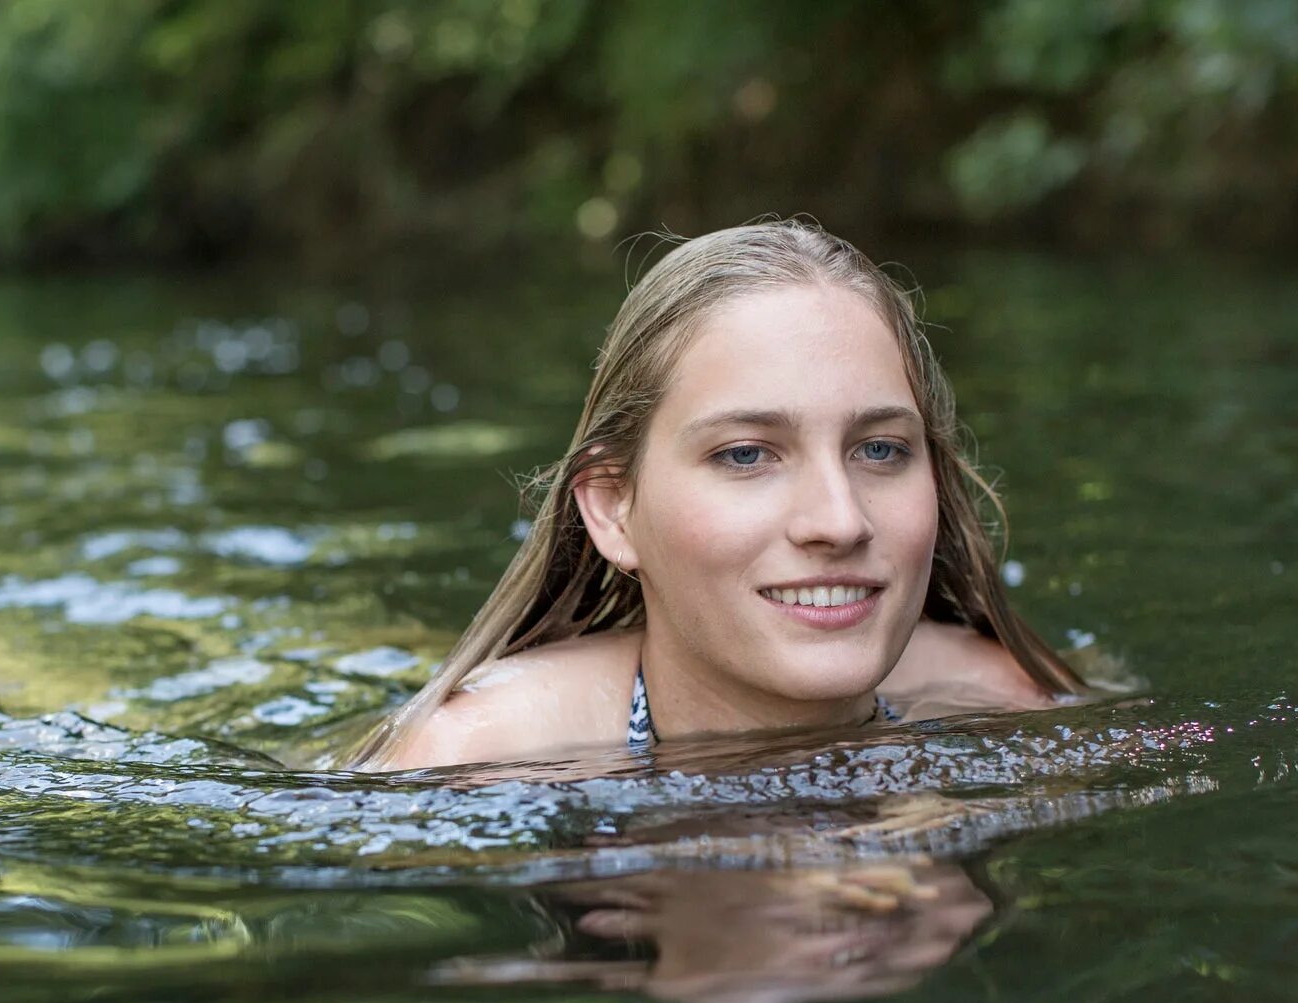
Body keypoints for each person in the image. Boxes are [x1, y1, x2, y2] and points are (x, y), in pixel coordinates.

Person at [349, 217, 1085, 771]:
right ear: (611, 507)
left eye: (880, 449)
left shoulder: (1009, 706)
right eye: (744, 454)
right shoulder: (467, 761)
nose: (838, 520)